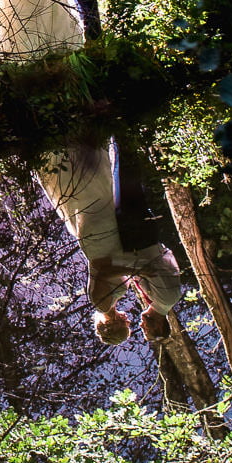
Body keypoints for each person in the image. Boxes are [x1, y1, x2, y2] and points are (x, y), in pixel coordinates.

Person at [33, 133, 181, 344]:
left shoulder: (102, 304)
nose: (135, 323)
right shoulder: (162, 299)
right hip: (120, 239)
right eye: (142, 329)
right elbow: (159, 264)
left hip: (101, 242)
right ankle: (95, 144)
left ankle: (71, 152)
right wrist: (137, 268)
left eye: (127, 326)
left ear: (112, 326)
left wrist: (134, 270)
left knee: (92, 197)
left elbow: (103, 270)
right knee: (104, 189)